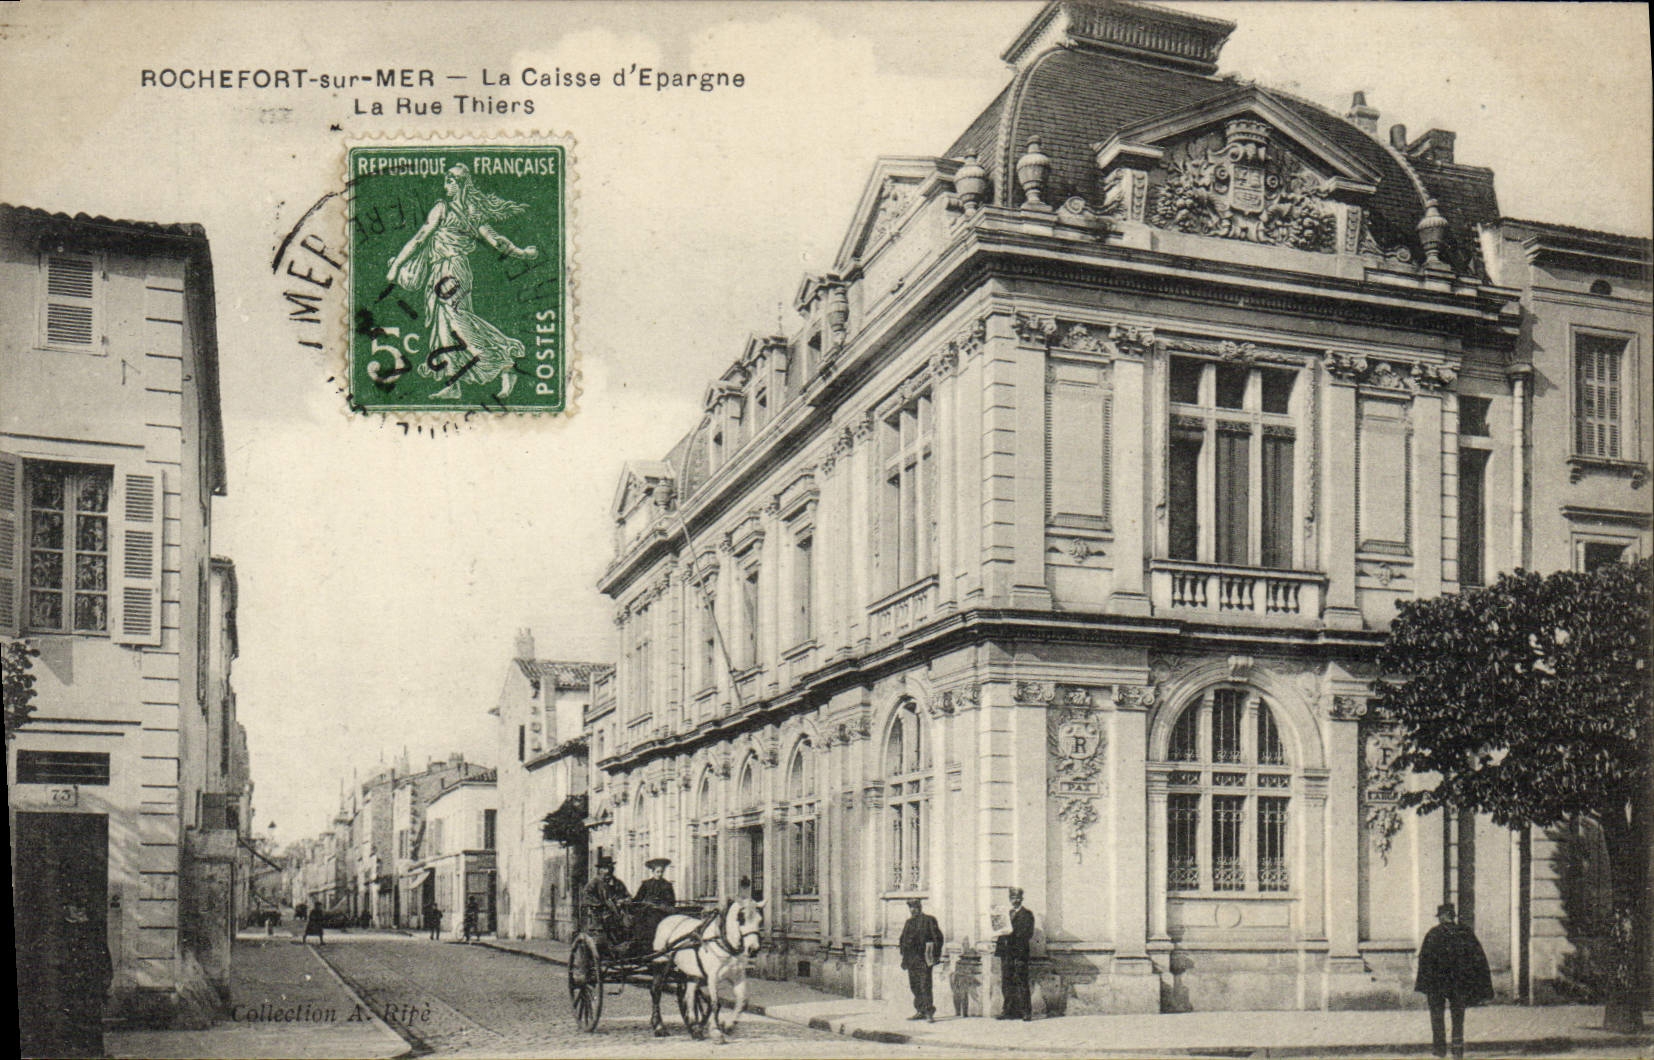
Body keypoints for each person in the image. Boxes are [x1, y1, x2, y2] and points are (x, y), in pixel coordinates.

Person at [384, 163, 539, 400]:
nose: (445, 185)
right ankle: (454, 383)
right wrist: (522, 253)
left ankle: (504, 360)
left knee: (456, 322)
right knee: (445, 325)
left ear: (460, 185)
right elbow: (497, 241)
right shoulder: (472, 212)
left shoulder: (443, 208)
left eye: (450, 181)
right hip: (446, 270)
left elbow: (419, 239)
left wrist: (396, 266)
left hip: (451, 270)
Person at [1415, 902, 1493, 1059]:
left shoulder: (1433, 934)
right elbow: (1479, 958)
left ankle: (1440, 1049)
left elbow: (1424, 960)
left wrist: (1425, 983)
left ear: (1442, 917)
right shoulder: (1465, 933)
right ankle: (1457, 1049)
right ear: (1453, 916)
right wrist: (1479, 983)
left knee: (1436, 1015)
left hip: (1437, 983)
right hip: (1458, 982)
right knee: (1458, 1016)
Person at [899, 898, 945, 1022]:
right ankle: (920, 1010)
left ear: (920, 907)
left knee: (925, 985)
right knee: (914, 986)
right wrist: (904, 954)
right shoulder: (909, 922)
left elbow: (938, 938)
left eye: (914, 907)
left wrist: (934, 954)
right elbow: (902, 939)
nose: (912, 910)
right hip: (911, 959)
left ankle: (929, 1012)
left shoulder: (929, 920)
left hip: (924, 959)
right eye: (910, 907)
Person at [995, 887, 1035, 1020]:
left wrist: (1012, 935)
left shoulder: (1027, 914)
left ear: (1022, 898)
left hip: (1019, 953)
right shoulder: (1006, 914)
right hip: (1006, 953)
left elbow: (1028, 933)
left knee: (1021, 981)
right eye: (1013, 898)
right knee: (1006, 982)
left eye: (1017, 897)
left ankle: (1026, 1012)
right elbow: (1000, 932)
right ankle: (1008, 1010)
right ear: (1010, 899)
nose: (1015, 900)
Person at [581, 855, 632, 947]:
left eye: (609, 868)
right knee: (604, 934)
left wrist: (623, 901)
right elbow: (586, 895)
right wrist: (601, 904)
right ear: (600, 870)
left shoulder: (618, 883)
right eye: (604, 868)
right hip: (599, 916)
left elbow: (628, 896)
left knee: (628, 925)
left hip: (617, 914)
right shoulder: (595, 882)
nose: (607, 871)